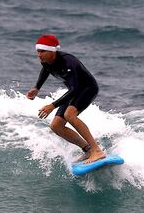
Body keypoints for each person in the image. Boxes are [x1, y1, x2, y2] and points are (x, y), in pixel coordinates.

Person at [26, 35, 106, 163]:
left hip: (87, 89)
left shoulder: (68, 62)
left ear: (52, 51)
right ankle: (88, 150)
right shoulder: (46, 61)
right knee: (56, 126)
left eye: (43, 51)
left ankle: (97, 151)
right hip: (73, 91)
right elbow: (46, 69)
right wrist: (37, 88)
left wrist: (52, 106)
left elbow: (74, 89)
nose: (39, 55)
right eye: (38, 51)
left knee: (70, 115)